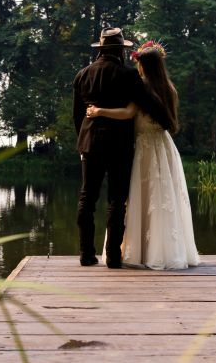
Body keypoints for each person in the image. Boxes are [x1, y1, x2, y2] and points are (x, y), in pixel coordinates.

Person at [86, 40, 200, 270]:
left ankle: (139, 252)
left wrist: (99, 111)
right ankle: (165, 251)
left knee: (139, 198)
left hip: (143, 148)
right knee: (162, 198)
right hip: (163, 146)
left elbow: (128, 113)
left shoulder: (142, 87)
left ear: (142, 66)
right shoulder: (170, 88)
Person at [73, 28, 170, 268]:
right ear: (119, 51)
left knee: (87, 197)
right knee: (117, 200)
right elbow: (147, 102)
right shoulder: (128, 76)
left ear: (101, 50)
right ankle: (113, 256)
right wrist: (168, 122)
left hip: (90, 143)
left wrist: (84, 141)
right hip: (119, 145)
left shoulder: (82, 75)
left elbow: (77, 116)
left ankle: (86, 254)